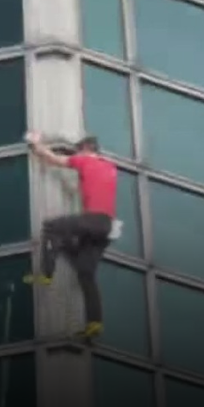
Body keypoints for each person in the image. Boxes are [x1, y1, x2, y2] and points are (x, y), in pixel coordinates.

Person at [23, 130, 119, 339]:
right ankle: (94, 323)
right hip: (108, 226)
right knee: (86, 272)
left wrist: (36, 143)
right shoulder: (110, 166)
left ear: (84, 150)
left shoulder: (84, 160)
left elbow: (51, 158)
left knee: (51, 226)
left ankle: (46, 274)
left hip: (93, 220)